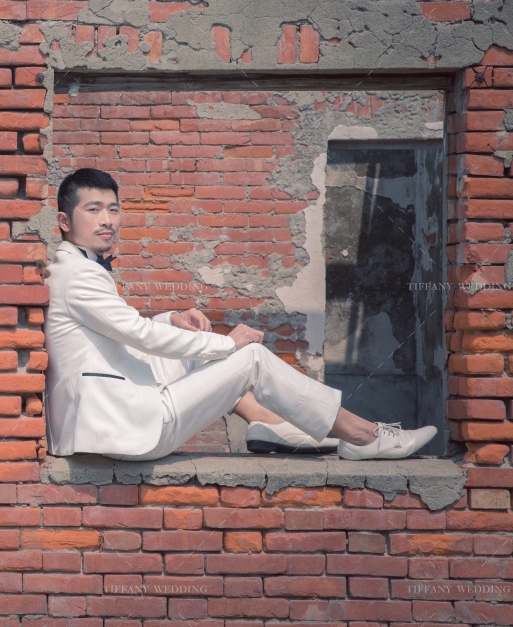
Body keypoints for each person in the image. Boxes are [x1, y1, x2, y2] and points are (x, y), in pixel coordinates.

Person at [43, 168, 437, 461]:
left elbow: (124, 329)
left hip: (109, 414)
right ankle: (363, 436)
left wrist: (171, 319)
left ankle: (268, 422)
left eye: (113, 209)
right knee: (248, 357)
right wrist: (226, 343)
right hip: (122, 425)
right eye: (93, 209)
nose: (107, 220)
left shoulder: (76, 267)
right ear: (64, 220)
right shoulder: (79, 274)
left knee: (202, 346)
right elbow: (138, 335)